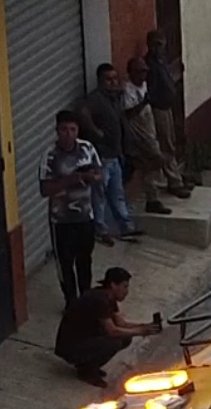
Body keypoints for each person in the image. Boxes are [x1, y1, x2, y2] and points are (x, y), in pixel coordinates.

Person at [54, 266, 163, 388]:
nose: (127, 291)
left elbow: (121, 324)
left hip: (85, 338)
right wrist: (140, 331)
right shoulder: (100, 300)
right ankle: (86, 371)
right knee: (114, 342)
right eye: (124, 286)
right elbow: (112, 331)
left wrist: (145, 327)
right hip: (71, 346)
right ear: (113, 285)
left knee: (125, 338)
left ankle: (90, 365)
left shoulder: (108, 298)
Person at [39, 110, 102, 304]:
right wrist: (70, 180)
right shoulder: (50, 156)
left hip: (85, 216)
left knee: (85, 260)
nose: (68, 134)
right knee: (65, 264)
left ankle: (85, 299)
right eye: (64, 129)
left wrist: (91, 177)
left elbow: (99, 173)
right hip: (61, 221)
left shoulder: (87, 148)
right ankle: (71, 301)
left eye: (72, 129)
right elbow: (45, 189)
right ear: (57, 131)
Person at [80, 63, 141, 246]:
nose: (113, 82)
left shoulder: (114, 98)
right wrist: (95, 131)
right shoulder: (95, 99)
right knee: (99, 195)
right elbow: (82, 112)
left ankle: (125, 226)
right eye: (108, 79)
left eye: (115, 78)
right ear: (100, 81)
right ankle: (101, 229)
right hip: (102, 157)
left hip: (114, 156)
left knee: (117, 193)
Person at [122, 58, 190, 214]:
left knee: (146, 166)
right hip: (138, 134)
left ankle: (152, 198)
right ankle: (155, 195)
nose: (143, 75)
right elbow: (127, 114)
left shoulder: (144, 86)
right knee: (155, 160)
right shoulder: (128, 91)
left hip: (149, 131)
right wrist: (143, 103)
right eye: (140, 72)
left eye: (145, 71)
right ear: (131, 72)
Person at [144, 30, 194, 186]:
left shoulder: (161, 60)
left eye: (162, 44)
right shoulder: (149, 64)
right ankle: (174, 180)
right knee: (165, 144)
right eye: (157, 44)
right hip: (158, 108)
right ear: (150, 45)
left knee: (170, 141)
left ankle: (175, 174)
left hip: (167, 107)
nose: (160, 48)